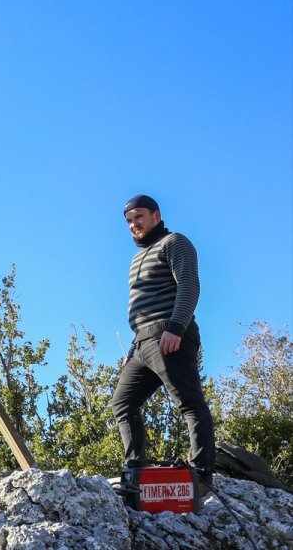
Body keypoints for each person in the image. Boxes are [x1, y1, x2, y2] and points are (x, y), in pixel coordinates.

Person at [111, 195, 216, 489]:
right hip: (142, 342)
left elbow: (189, 285)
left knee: (189, 402)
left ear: (156, 215)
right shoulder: (137, 257)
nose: (134, 224)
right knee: (123, 402)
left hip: (168, 334)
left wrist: (175, 328)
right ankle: (136, 470)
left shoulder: (175, 242)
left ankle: (202, 474)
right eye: (129, 220)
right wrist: (134, 346)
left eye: (139, 217)